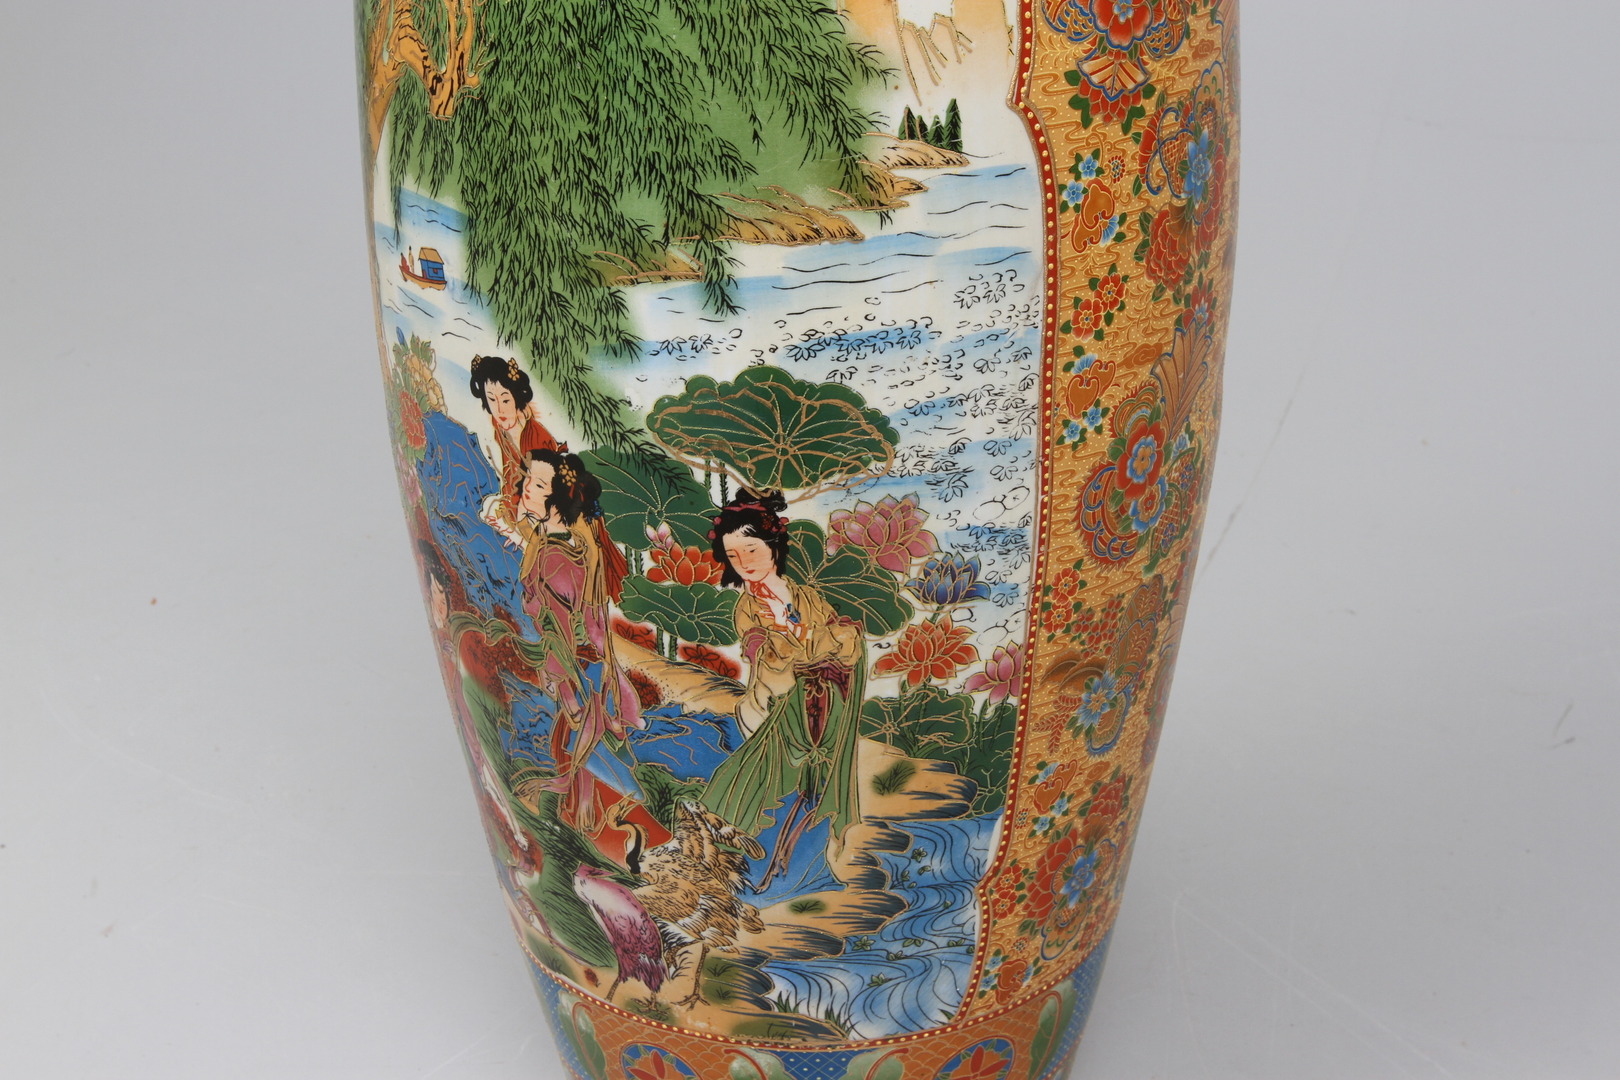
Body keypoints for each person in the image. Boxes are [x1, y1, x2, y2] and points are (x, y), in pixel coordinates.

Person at [699, 491, 866, 889]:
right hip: (777, 707)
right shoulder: (748, 608)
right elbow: (767, 656)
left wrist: (827, 644)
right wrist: (811, 648)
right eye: (733, 556)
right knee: (751, 781)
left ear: (773, 546)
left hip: (823, 703)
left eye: (751, 550)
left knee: (817, 785)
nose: (744, 563)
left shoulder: (806, 596)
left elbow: (843, 642)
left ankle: (799, 863)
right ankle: (738, 861)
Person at [513, 448, 640, 834]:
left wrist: (561, 677)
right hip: (585, 664)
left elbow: (565, 628)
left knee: (578, 738)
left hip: (576, 665)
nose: (525, 488)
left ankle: (581, 813)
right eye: (527, 478)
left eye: (538, 485)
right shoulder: (563, 545)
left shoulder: (558, 559)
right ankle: (584, 815)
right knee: (580, 739)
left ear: (559, 501)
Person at [470, 354, 559, 539]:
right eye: (491, 399)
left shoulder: (537, 439)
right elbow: (509, 471)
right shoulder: (500, 428)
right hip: (515, 502)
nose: (499, 410)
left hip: (543, 509)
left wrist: (516, 513)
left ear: (516, 398)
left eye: (505, 400)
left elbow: (547, 494)